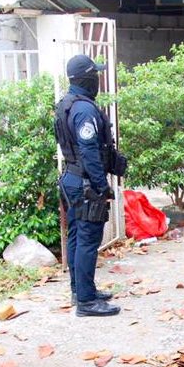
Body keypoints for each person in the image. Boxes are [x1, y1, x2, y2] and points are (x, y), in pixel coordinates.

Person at [54, 54, 128, 318]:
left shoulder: (66, 104)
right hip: (85, 181)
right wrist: (101, 186)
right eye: (95, 74)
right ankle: (86, 302)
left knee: (76, 236)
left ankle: (81, 290)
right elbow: (90, 152)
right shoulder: (84, 110)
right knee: (87, 239)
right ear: (87, 79)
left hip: (71, 178)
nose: (98, 79)